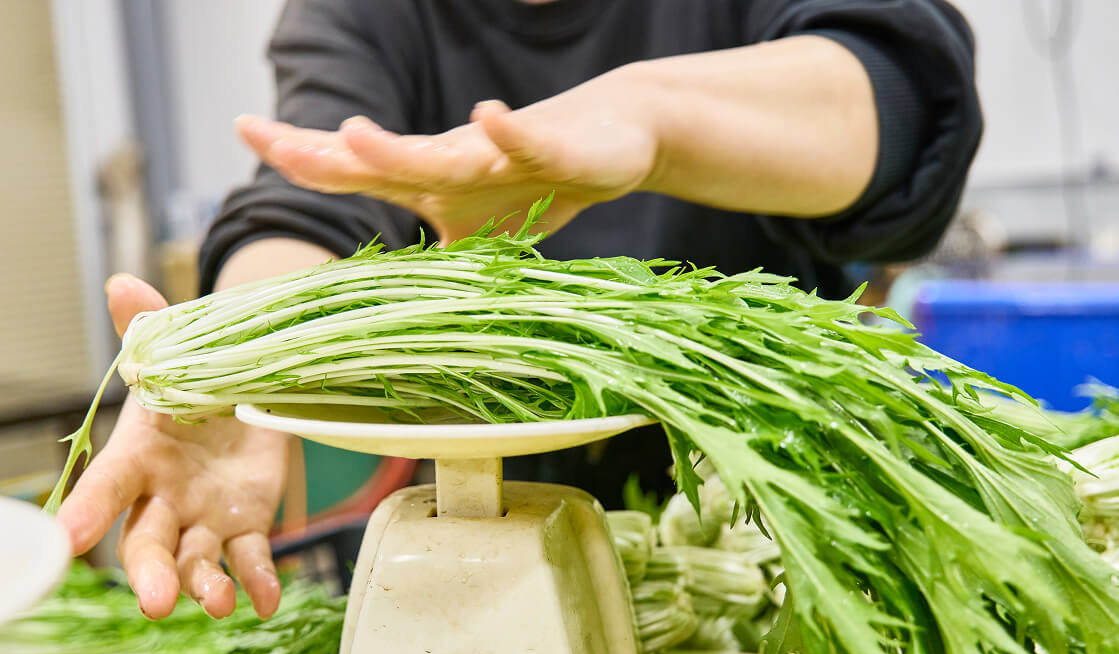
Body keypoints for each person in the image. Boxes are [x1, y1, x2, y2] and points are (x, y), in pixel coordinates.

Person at [57, 0, 982, 621]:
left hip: (775, 533)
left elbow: (898, 87)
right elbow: (312, 201)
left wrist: (648, 119)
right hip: (490, 538)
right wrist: (231, 356)